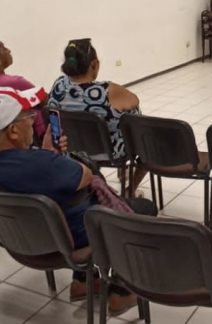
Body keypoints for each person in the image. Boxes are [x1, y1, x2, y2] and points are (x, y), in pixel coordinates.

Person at [0, 86, 143, 316]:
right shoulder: (41, 164)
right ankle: (122, 292)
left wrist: (47, 154)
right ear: (13, 131)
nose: (33, 121)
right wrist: (52, 157)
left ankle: (83, 281)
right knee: (139, 210)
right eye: (29, 117)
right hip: (69, 242)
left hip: (19, 243)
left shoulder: (32, 163)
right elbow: (84, 175)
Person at [48, 38, 146, 194]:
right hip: (109, 151)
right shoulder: (108, 90)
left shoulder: (58, 85)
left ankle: (114, 175)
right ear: (94, 64)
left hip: (71, 149)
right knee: (135, 123)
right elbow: (134, 101)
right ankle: (129, 190)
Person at [0, 41, 46, 139]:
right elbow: (45, 98)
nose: (9, 50)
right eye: (4, 48)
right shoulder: (14, 82)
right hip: (36, 135)